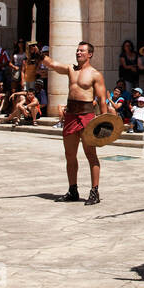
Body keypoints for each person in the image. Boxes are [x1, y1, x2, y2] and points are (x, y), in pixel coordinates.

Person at [40, 41, 114, 204]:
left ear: (90, 54)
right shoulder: (70, 70)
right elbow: (52, 64)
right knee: (70, 155)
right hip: (71, 115)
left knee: (91, 155)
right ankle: (72, 190)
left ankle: (94, 191)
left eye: (82, 51)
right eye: (77, 50)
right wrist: (40, 56)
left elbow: (102, 99)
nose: (78, 53)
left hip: (87, 116)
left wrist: (105, 122)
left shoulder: (95, 74)